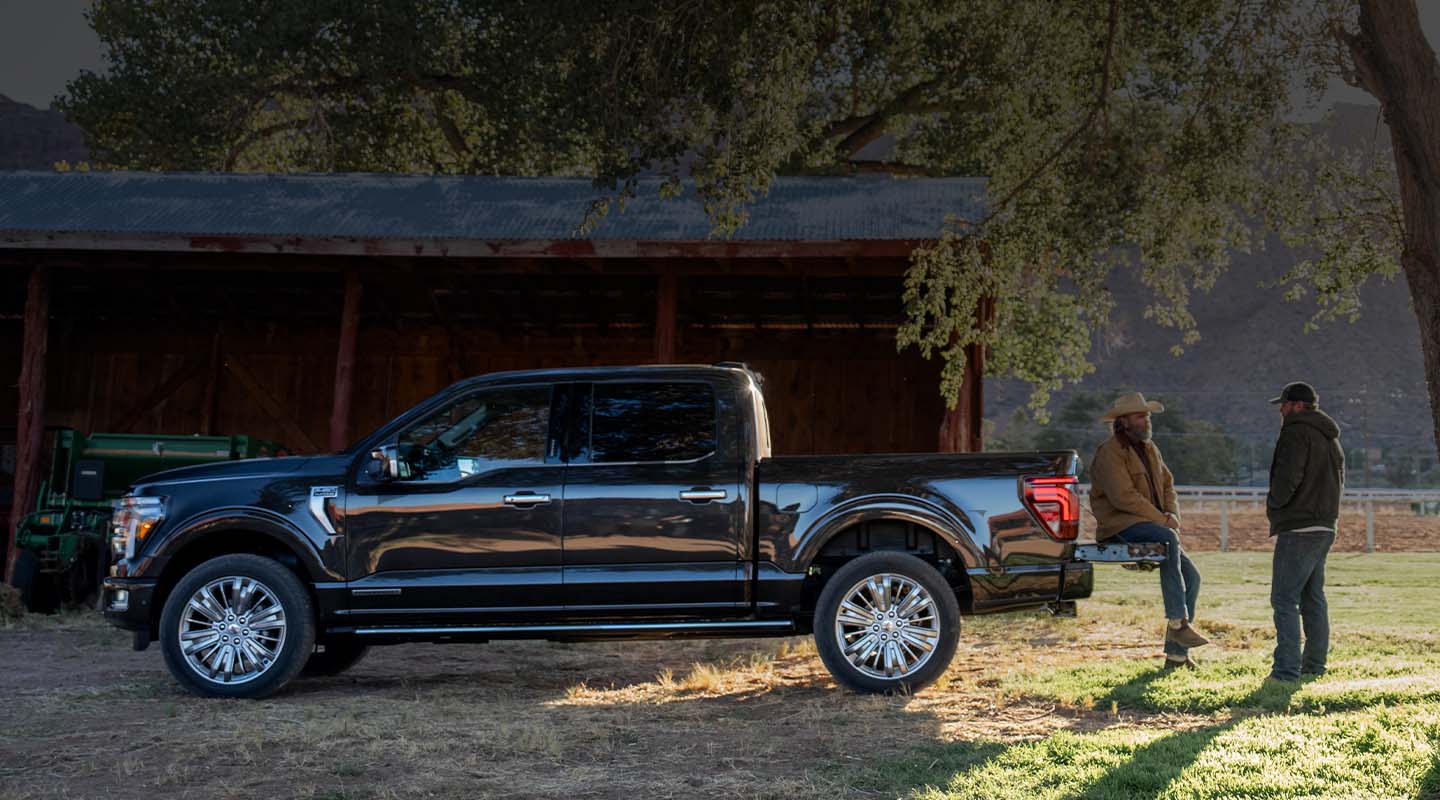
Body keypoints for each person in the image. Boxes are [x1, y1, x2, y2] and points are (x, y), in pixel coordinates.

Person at [1089, 392, 1208, 669]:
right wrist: (1163, 521)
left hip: (1152, 526)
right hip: (1119, 527)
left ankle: (1177, 657)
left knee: (1192, 577)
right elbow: (1123, 498)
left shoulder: (1151, 448)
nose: (1146, 420)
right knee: (1168, 538)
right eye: (1140, 415)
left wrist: (1171, 514)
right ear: (1123, 422)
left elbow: (1168, 485)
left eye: (1147, 415)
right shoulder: (1109, 453)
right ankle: (1178, 621)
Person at [1266, 381, 1344, 682]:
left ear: (1298, 405)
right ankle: (1315, 666)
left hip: (1299, 526)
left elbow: (1288, 477)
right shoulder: (1330, 438)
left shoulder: (1295, 431)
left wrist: (1274, 503)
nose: (1281, 410)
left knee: (1284, 599)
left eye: (1284, 404)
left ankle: (1285, 671)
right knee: (1313, 597)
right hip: (1325, 524)